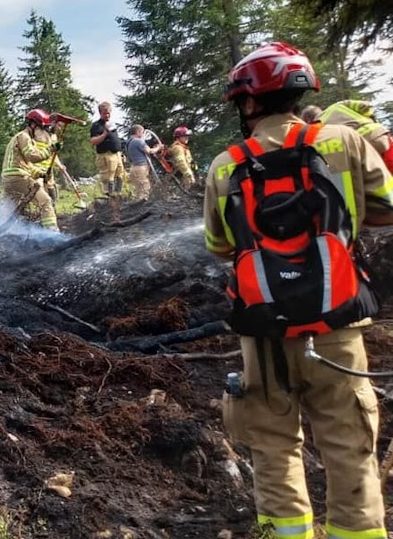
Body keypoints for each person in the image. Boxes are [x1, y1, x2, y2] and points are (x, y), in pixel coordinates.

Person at [204, 41, 393, 539]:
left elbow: (220, 245)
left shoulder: (225, 166)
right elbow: (388, 207)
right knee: (350, 445)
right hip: (337, 324)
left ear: (249, 102)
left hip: (263, 332)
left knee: (272, 446)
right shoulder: (344, 143)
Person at [0, 109, 58, 230]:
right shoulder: (24, 136)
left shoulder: (18, 137)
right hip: (19, 177)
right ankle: (53, 234)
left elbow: (26, 164)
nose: (42, 132)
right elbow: (32, 157)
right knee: (45, 201)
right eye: (41, 128)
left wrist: (40, 174)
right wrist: (50, 150)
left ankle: (8, 235)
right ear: (33, 125)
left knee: (9, 211)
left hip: (8, 179)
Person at [303, 100, 393, 170]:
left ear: (308, 120)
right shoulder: (338, 106)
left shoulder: (315, 127)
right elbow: (365, 106)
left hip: (360, 147)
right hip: (380, 135)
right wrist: (371, 121)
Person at [89, 101, 126, 198]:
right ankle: (109, 196)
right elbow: (93, 141)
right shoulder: (97, 126)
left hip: (116, 154)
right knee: (108, 177)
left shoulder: (112, 124)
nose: (107, 115)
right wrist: (104, 134)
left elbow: (115, 139)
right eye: (105, 113)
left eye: (109, 113)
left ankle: (118, 194)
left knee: (119, 174)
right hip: (105, 154)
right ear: (100, 113)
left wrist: (120, 152)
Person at [124, 125, 160, 201]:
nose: (143, 134)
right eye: (142, 132)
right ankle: (142, 208)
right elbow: (149, 151)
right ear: (138, 132)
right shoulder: (138, 141)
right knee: (144, 189)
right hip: (141, 168)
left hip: (134, 167)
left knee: (139, 190)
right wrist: (158, 147)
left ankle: (139, 207)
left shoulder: (129, 142)